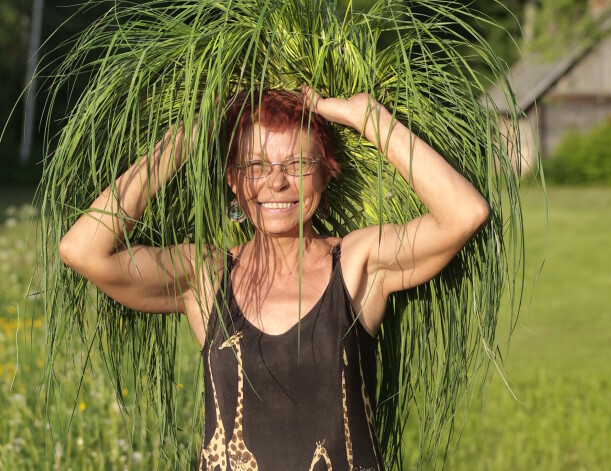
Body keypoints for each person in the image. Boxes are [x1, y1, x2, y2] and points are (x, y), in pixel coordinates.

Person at [58, 87, 490, 470]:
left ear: (326, 173)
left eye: (299, 163)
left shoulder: (358, 263)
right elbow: (83, 250)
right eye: (255, 165)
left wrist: (366, 115)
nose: (278, 182)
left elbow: (464, 214)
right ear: (233, 181)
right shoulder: (206, 276)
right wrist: (184, 138)